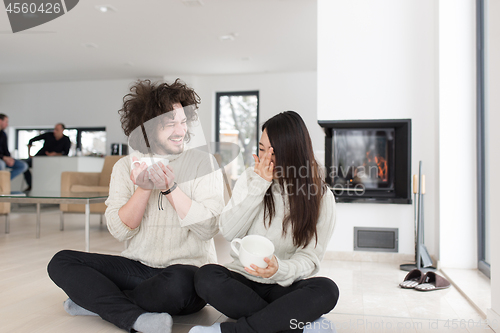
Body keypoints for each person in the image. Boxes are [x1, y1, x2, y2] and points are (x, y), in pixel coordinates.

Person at [47, 79, 225, 333]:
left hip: (185, 272)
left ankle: (99, 302)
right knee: (61, 261)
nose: (180, 130)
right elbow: (120, 231)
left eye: (183, 121)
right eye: (170, 123)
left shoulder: (203, 163)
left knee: (179, 284)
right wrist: (143, 189)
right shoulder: (125, 167)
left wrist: (170, 189)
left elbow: (208, 228)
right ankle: (133, 317)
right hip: (138, 268)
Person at [191, 111, 339, 333]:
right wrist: (259, 186)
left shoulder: (321, 197)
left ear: (294, 152)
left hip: (284, 283)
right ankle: (291, 323)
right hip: (243, 280)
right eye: (261, 149)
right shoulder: (250, 179)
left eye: (274, 151)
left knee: (327, 289)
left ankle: (229, 331)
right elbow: (229, 231)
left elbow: (310, 258)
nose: (266, 158)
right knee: (205, 277)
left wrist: (279, 269)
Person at [23, 122, 71, 191]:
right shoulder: (48, 135)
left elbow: (65, 153)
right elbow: (31, 140)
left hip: (52, 162)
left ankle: (46, 187)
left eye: (57, 129)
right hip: (39, 158)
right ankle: (30, 184)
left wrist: (54, 154)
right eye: (55, 129)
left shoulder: (66, 140)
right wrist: (29, 154)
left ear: (62, 130)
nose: (55, 131)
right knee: (24, 164)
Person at [0, 114, 29, 181]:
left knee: (23, 165)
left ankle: (4, 181)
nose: (7, 124)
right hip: (2, 159)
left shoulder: (3, 134)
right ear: (0, 121)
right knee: (1, 164)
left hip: (3, 158)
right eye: (6, 122)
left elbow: (5, 149)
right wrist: (4, 158)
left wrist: (9, 158)